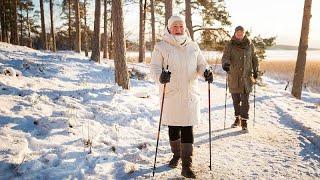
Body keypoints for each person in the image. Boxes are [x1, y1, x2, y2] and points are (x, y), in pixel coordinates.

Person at [150, 15, 213, 178]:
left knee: (187, 128)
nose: (178, 29)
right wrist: (160, 77)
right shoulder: (161, 46)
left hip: (190, 94)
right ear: (169, 28)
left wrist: (206, 72)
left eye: (181, 26)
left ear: (185, 28)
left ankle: (187, 165)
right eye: (175, 26)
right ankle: (176, 154)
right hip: (171, 94)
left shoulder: (193, 46)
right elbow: (155, 68)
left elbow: (201, 64)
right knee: (173, 128)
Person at [221, 25, 259, 132]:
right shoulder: (230, 45)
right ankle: (237, 118)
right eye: (238, 33)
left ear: (244, 33)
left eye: (241, 33)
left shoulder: (250, 45)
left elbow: (254, 58)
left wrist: (256, 70)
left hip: (246, 77)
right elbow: (225, 57)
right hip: (234, 76)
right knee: (236, 100)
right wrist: (226, 64)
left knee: (245, 100)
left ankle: (244, 121)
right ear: (235, 33)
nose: (239, 35)